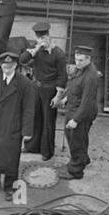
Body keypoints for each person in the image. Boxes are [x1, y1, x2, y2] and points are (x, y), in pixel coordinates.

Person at [0, 50, 36, 200]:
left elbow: (29, 109)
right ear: (1, 65)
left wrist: (27, 131)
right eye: (4, 65)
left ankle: (11, 186)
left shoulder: (25, 83)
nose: (7, 68)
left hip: (12, 124)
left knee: (10, 155)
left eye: (10, 66)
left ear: (16, 65)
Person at [20, 23, 67, 159]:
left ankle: (47, 151)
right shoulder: (36, 51)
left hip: (50, 90)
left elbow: (62, 76)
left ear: (49, 36)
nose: (42, 40)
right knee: (35, 118)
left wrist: (58, 96)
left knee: (48, 121)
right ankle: (32, 146)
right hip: (36, 87)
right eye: (39, 37)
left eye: (44, 37)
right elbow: (22, 60)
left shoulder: (58, 53)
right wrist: (34, 50)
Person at [54, 46, 101, 181]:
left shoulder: (90, 76)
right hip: (73, 108)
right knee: (76, 138)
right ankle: (83, 159)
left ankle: (75, 171)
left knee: (76, 141)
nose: (77, 63)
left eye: (81, 60)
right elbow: (74, 86)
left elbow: (87, 102)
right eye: (76, 59)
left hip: (81, 113)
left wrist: (76, 120)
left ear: (88, 59)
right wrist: (66, 98)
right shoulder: (81, 69)